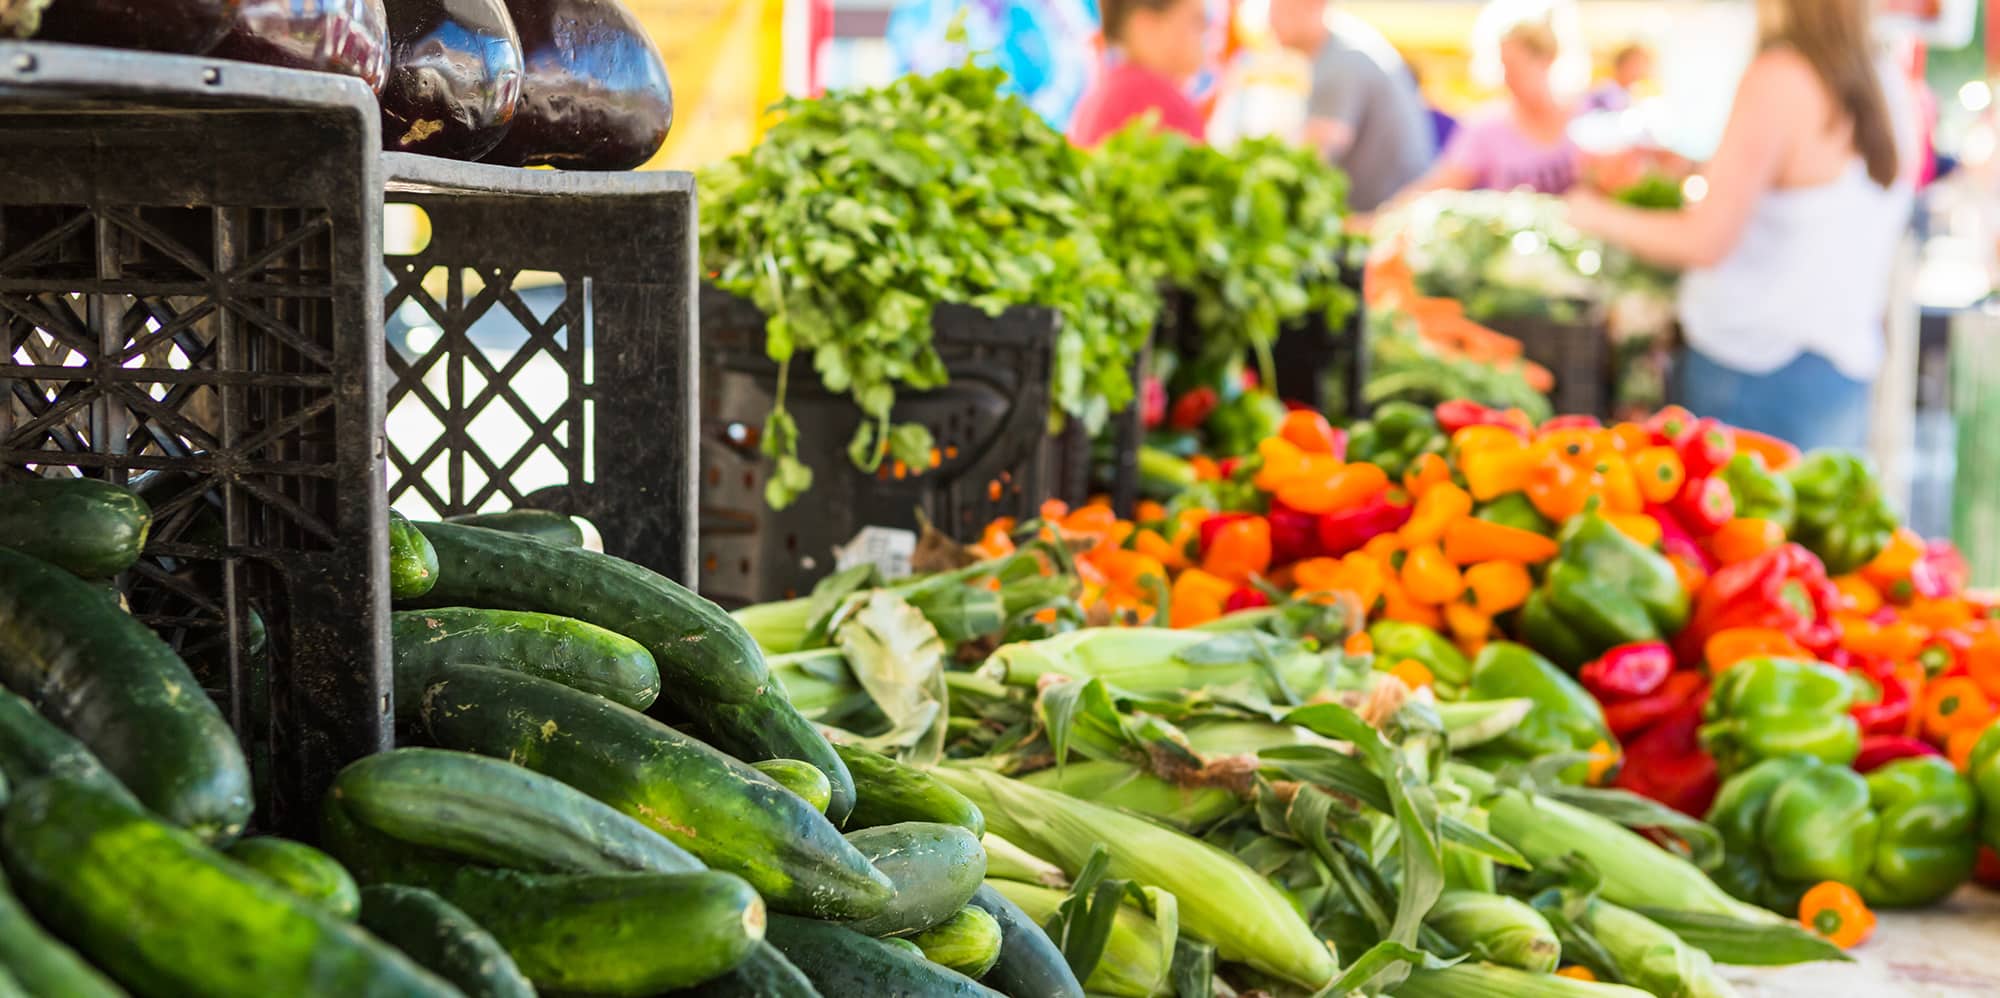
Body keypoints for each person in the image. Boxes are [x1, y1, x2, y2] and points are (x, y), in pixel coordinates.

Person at [1566, 0, 1913, 451]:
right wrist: (1699, 168)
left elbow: (1706, 240)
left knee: (1742, 520)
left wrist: (1589, 213)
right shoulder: (1888, 83)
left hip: (1752, 368)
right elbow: (1813, 195)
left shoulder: (1780, 77)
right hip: (1839, 367)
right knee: (1823, 519)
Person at [1266, 0, 1433, 212]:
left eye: (1281, 10)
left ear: (1315, 6)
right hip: (1388, 211)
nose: (1269, 22)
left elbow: (1312, 159)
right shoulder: (1347, 46)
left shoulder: (1342, 62)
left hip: (1382, 218)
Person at [1397, 15, 1580, 196]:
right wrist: (1390, 210)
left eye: (1515, 66)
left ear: (1546, 60)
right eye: (1504, 66)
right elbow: (1440, 184)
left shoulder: (1581, 114)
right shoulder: (1487, 127)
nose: (1507, 78)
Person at [1068, 0, 1209, 147]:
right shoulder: (1161, 103)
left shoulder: (1101, 93)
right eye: (1196, 20)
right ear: (1147, 26)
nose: (1206, 29)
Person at [1580, 42, 1653, 115]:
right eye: (1635, 64)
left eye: (1642, 65)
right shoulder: (1604, 90)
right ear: (1622, 64)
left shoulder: (1633, 93)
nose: (1639, 70)